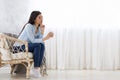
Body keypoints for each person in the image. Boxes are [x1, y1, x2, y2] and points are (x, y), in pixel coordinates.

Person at [14, 11, 53, 78]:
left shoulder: (37, 27)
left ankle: (37, 68)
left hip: (27, 46)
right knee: (38, 45)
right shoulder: (28, 26)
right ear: (34, 19)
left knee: (41, 45)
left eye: (42, 17)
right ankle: (36, 68)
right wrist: (46, 38)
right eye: (39, 17)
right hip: (18, 47)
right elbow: (33, 40)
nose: (41, 19)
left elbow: (39, 40)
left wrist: (42, 31)